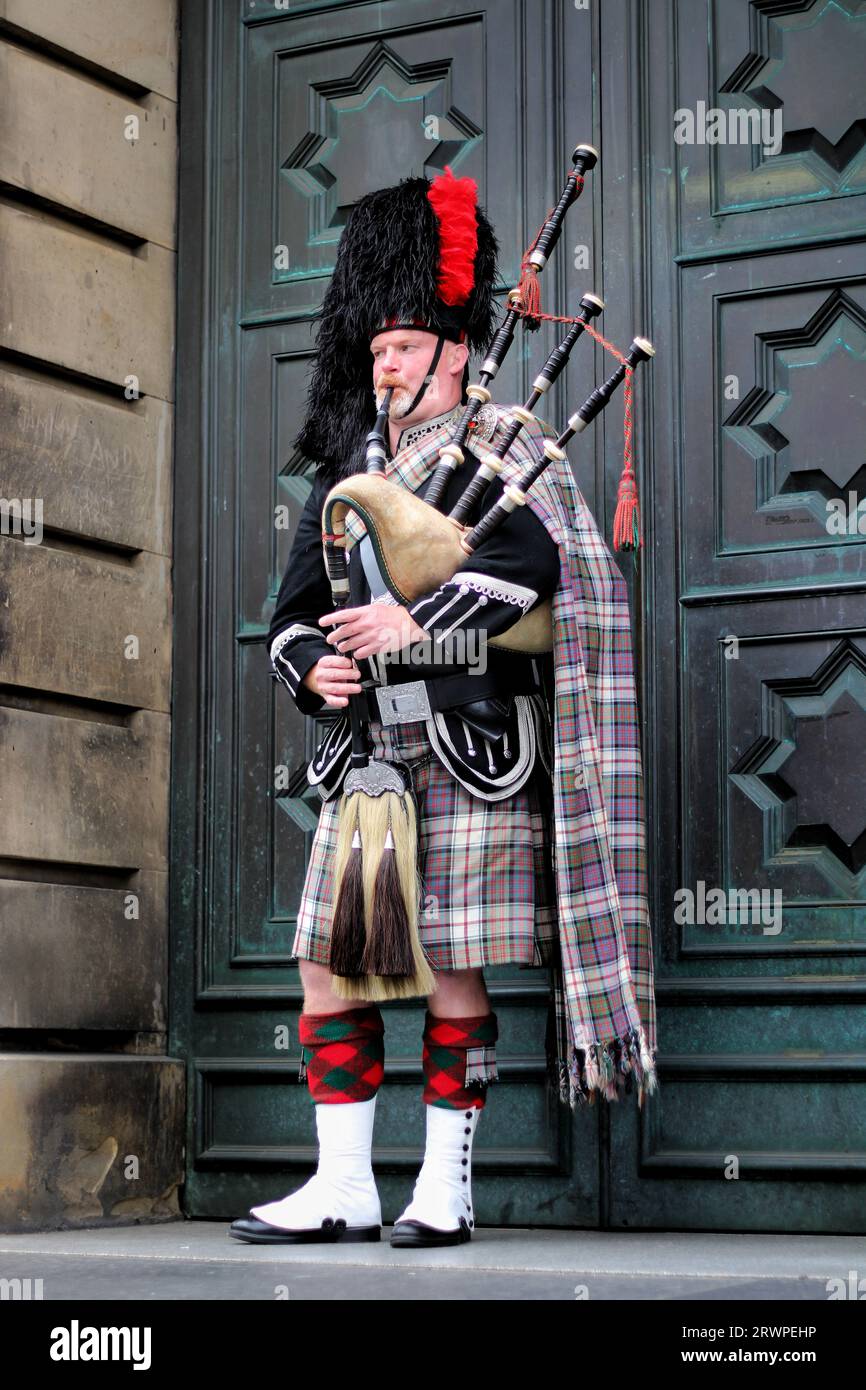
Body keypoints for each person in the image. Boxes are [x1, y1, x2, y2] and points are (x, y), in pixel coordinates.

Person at [230, 167, 657, 1249]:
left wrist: (414, 632)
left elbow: (536, 573)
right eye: (375, 350)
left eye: (405, 346)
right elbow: (288, 612)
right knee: (326, 959)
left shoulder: (507, 446)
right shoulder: (345, 467)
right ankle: (341, 1185)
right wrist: (308, 668)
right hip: (366, 760)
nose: (386, 363)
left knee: (448, 959)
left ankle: (442, 1187)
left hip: (467, 745)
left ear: (454, 349)